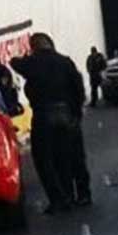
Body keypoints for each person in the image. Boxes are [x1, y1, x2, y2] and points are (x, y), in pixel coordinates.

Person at [11, 34, 89, 213]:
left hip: (43, 115)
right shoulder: (65, 62)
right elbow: (78, 87)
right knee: (73, 155)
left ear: (33, 47)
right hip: (66, 112)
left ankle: (59, 199)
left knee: (45, 160)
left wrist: (25, 57)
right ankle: (82, 194)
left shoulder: (32, 63)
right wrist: (76, 112)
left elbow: (15, 63)